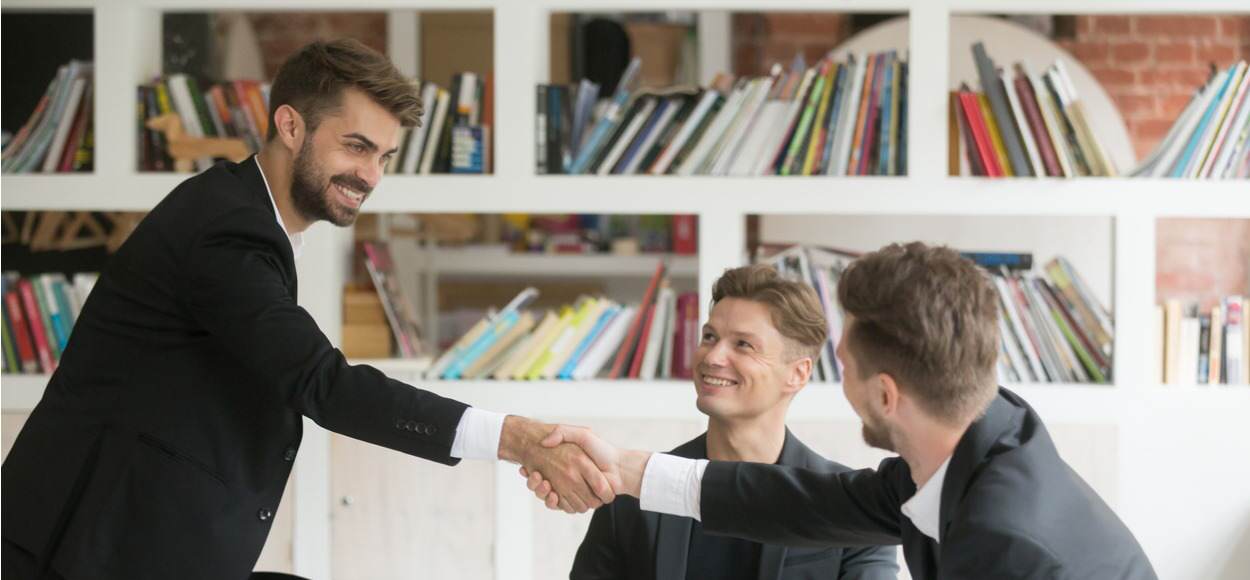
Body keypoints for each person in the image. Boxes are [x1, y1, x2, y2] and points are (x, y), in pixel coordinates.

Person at [1, 39, 611, 580]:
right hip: (81, 547)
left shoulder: (245, 217)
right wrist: (519, 440)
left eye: (384, 157)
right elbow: (323, 384)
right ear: (290, 126)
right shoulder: (228, 232)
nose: (370, 175)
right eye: (356, 146)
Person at [528, 243, 1158, 579]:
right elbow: (798, 502)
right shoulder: (979, 444)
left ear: (886, 395)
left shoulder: (1005, 545)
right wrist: (629, 470)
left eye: (845, 364)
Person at [567, 265, 897, 580]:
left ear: (797, 373)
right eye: (709, 337)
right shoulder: (632, 494)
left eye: (743, 344)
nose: (712, 357)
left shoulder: (851, 511)